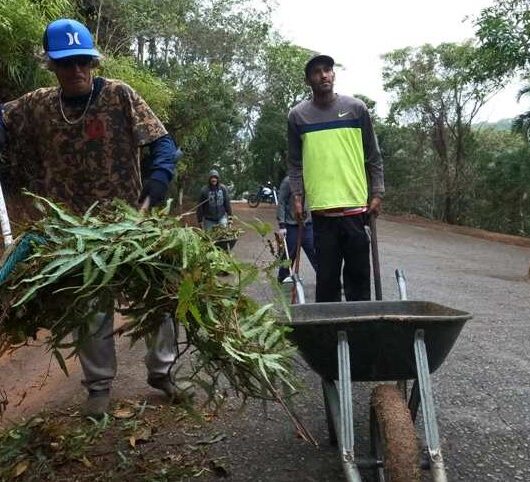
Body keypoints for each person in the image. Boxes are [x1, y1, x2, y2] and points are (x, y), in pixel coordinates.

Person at [0, 18, 183, 417]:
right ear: (51, 65)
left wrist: (155, 186)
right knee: (90, 308)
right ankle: (99, 387)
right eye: (67, 64)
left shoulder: (120, 96)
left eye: (83, 61)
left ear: (93, 62)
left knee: (158, 295)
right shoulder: (37, 105)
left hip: (130, 221)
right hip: (74, 233)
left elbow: (163, 144)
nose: (77, 70)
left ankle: (162, 371)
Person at [287, 54, 384, 302]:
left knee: (359, 280)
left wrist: (377, 192)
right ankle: (329, 336)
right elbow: (295, 162)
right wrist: (297, 197)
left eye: (328, 70)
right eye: (317, 72)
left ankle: (360, 333)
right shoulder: (298, 116)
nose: (324, 75)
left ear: (334, 74)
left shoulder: (356, 109)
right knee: (327, 281)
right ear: (308, 80)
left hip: (355, 209)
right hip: (322, 214)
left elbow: (373, 155)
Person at [276, 175, 317, 282]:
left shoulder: (311, 178)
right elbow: (281, 203)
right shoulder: (288, 181)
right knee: (289, 255)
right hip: (292, 225)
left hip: (307, 224)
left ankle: (325, 279)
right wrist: (282, 225)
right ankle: (283, 279)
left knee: (315, 252)